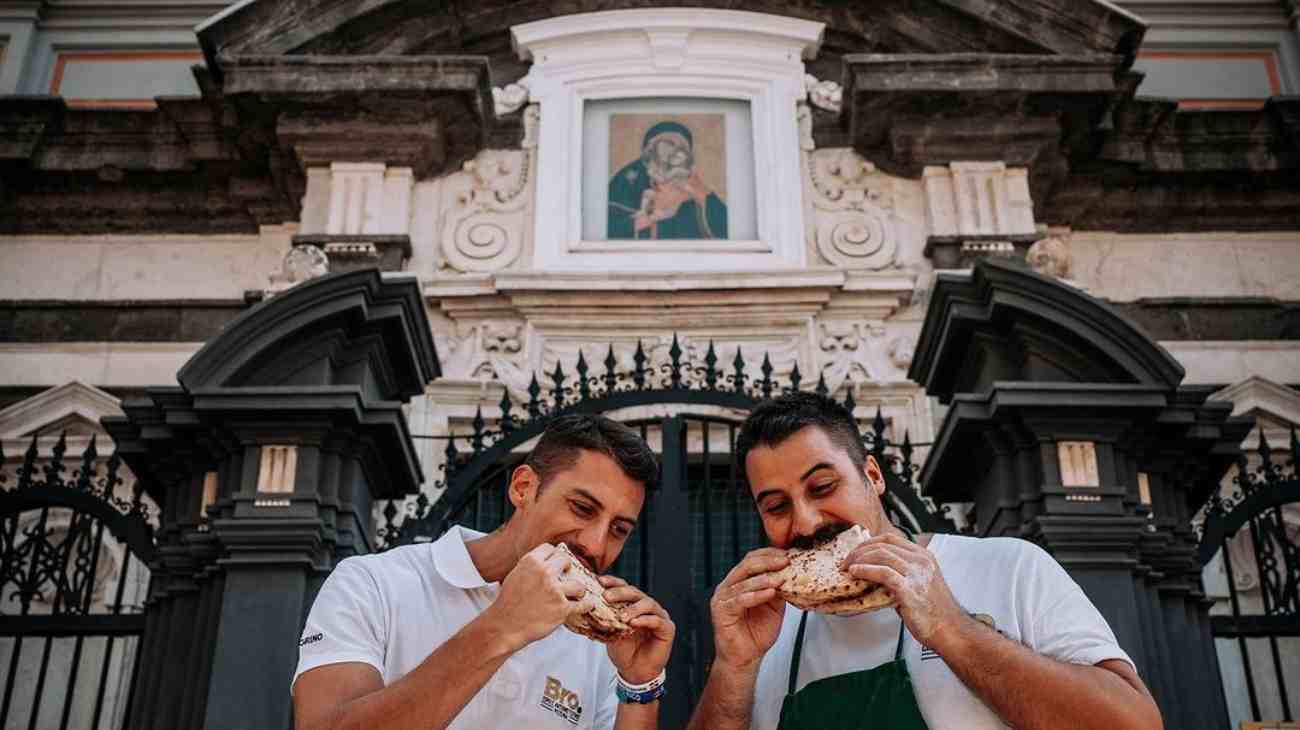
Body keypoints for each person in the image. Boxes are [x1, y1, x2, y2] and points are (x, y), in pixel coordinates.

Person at [688, 392, 1163, 730]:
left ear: (872, 475)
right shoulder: (767, 626)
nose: (806, 522)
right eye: (776, 506)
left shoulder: (1008, 568)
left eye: (823, 487)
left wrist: (949, 627)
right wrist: (733, 667)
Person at [292, 414, 675, 730]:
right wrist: (502, 627)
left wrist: (638, 684)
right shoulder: (373, 583)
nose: (595, 544)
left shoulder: (598, 647)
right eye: (581, 508)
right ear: (523, 487)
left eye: (619, 530)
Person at [608, 120, 728, 240]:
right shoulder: (627, 185)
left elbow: (725, 232)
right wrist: (647, 219)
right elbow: (609, 229)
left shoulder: (695, 199)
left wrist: (702, 193)